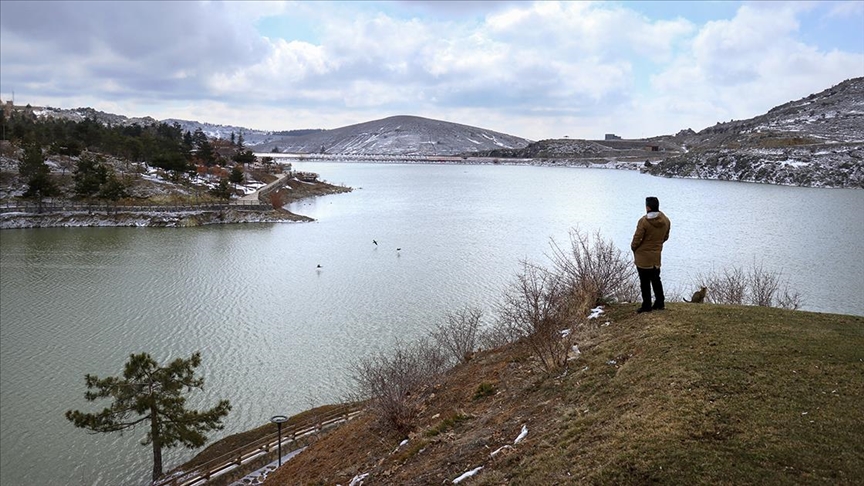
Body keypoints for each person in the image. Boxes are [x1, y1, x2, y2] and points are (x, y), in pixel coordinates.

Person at [630, 196, 671, 313]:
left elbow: (636, 239)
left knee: (644, 281)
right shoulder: (666, 220)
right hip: (656, 255)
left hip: (643, 257)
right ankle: (660, 302)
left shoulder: (643, 222)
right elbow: (666, 237)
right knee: (656, 279)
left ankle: (646, 305)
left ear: (647, 207)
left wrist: (634, 248)